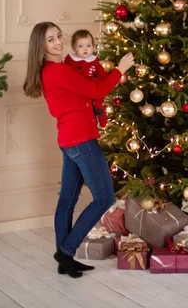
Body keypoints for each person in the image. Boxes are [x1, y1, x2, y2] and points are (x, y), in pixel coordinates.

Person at [23, 22, 134, 278]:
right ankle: (66, 251)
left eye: (59, 36)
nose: (59, 42)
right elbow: (96, 90)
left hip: (68, 140)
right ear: (41, 46)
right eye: (51, 40)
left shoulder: (53, 70)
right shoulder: (58, 71)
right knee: (104, 197)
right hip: (81, 141)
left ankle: (65, 261)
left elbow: (83, 93)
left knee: (67, 201)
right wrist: (120, 69)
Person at [65, 29, 108, 128]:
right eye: (80, 46)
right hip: (78, 90)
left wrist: (108, 77)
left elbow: (102, 73)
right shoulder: (70, 61)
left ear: (93, 46)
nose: (85, 49)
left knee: (98, 104)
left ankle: (102, 120)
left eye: (88, 46)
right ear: (74, 48)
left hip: (93, 88)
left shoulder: (94, 61)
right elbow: (66, 73)